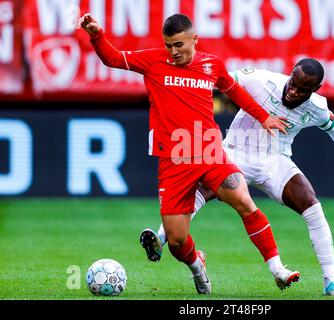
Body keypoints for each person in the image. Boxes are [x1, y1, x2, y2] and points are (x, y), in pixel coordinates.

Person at [79, 13, 300, 295]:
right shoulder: (153, 61)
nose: (174, 51)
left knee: (243, 200)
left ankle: (278, 269)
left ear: (194, 39)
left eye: (179, 45)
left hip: (209, 150)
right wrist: (96, 34)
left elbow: (236, 92)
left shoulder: (212, 65)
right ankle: (198, 266)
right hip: (174, 160)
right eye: (169, 45)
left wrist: (264, 117)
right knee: (176, 241)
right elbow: (113, 58)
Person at [143, 59, 334, 297]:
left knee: (313, 207)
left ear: (315, 90)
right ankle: (161, 238)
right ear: (290, 74)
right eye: (293, 83)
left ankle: (331, 284)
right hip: (234, 154)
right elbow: (219, 81)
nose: (293, 91)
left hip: (274, 161)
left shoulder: (318, 108)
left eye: (302, 90)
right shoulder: (260, 80)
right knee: (200, 191)